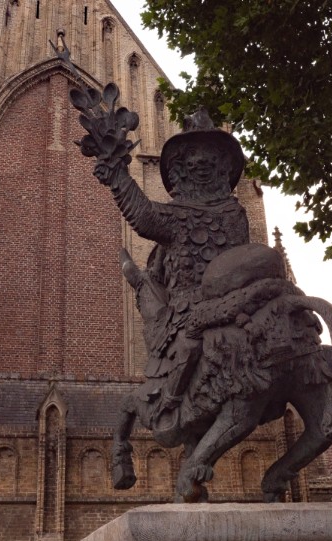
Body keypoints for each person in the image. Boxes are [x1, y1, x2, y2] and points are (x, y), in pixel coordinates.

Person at [92, 109, 250, 421]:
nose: (201, 160)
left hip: (211, 305)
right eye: (192, 154)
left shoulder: (234, 213)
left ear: (222, 163)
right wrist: (117, 173)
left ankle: (170, 399)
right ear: (181, 166)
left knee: (186, 341)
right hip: (212, 305)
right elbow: (146, 217)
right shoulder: (179, 215)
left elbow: (145, 218)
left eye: (210, 154)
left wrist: (117, 174)